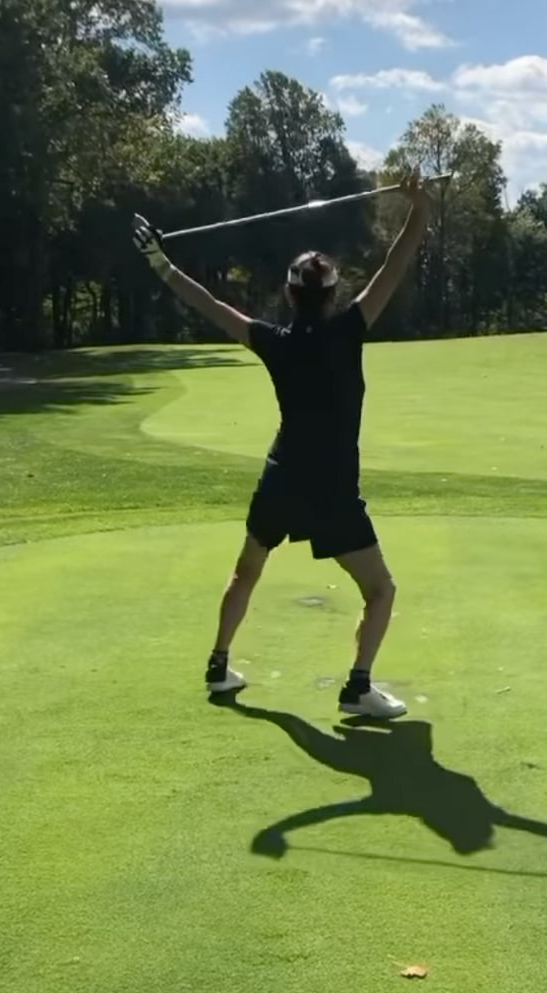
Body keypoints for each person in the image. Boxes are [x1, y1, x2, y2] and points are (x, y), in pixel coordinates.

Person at [132, 170, 432, 719]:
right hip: (333, 489)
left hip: (283, 474)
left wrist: (158, 261)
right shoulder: (351, 328)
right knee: (381, 591)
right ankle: (358, 687)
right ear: (334, 291)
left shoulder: (272, 341)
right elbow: (398, 260)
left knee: (248, 568)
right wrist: (419, 206)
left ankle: (219, 665)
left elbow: (205, 303)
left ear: (290, 294)